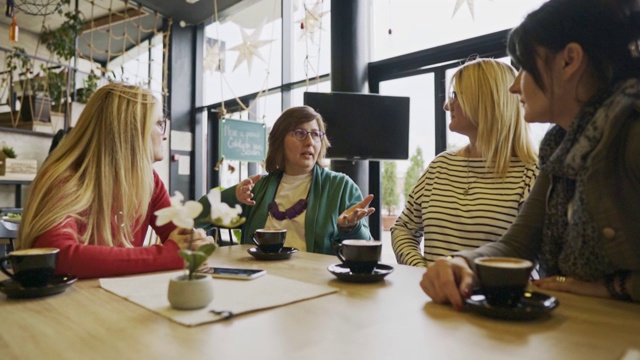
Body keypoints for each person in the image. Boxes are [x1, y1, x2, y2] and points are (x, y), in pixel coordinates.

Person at [421, 0, 640, 307]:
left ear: (569, 61)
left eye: (523, 66)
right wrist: (462, 263)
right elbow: (517, 245)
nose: (513, 87)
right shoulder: (561, 148)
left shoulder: (630, 135)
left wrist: (615, 287)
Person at [17, 83, 214, 279]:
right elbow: (57, 255)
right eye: (158, 124)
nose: (164, 136)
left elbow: (181, 239)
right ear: (130, 131)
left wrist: (194, 244)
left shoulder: (149, 180)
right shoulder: (67, 179)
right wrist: (169, 255)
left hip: (115, 298)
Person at [392, 58, 539, 267]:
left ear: (485, 101)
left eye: (456, 96)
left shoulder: (530, 174)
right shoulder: (439, 166)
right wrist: (423, 271)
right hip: (432, 298)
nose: (446, 105)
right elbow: (403, 229)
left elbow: (532, 255)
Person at [198, 105, 375, 254]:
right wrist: (234, 197)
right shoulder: (257, 187)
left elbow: (364, 249)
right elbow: (198, 213)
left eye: (315, 134)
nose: (309, 142)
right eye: (300, 133)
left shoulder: (341, 187)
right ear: (279, 140)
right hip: (260, 280)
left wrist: (351, 228)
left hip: (315, 284)